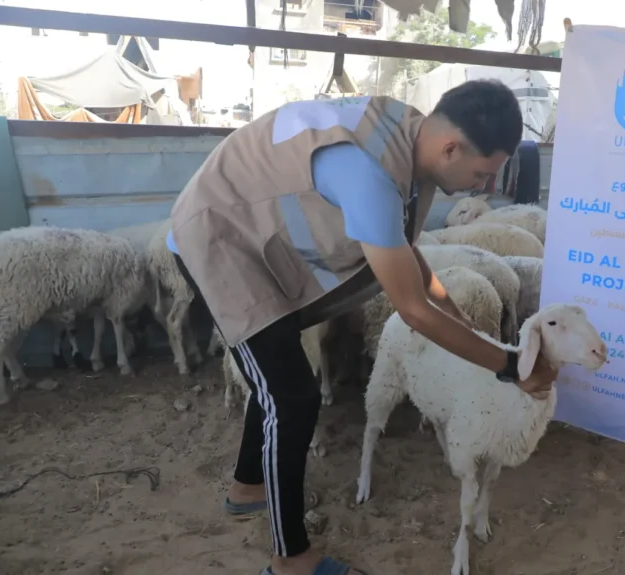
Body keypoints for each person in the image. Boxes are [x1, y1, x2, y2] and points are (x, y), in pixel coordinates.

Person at [166, 80, 559, 575]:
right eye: (483, 173)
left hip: (259, 240)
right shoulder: (371, 174)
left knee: (281, 376)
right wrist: (507, 365)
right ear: (451, 147)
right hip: (216, 239)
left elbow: (407, 257)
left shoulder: (411, 139)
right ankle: (291, 560)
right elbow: (413, 310)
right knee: (291, 398)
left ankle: (249, 487)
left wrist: (470, 330)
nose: (484, 187)